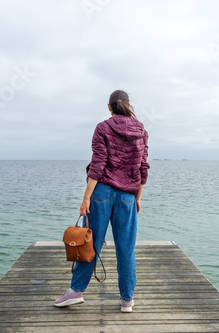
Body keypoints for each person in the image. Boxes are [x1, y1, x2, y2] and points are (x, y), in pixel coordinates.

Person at [54, 90, 150, 313]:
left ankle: (76, 291)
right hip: (127, 195)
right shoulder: (142, 131)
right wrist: (138, 197)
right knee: (126, 248)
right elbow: (143, 167)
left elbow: (98, 164)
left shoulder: (103, 128)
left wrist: (86, 197)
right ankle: (127, 300)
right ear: (127, 106)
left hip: (102, 192)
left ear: (110, 107)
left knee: (91, 244)